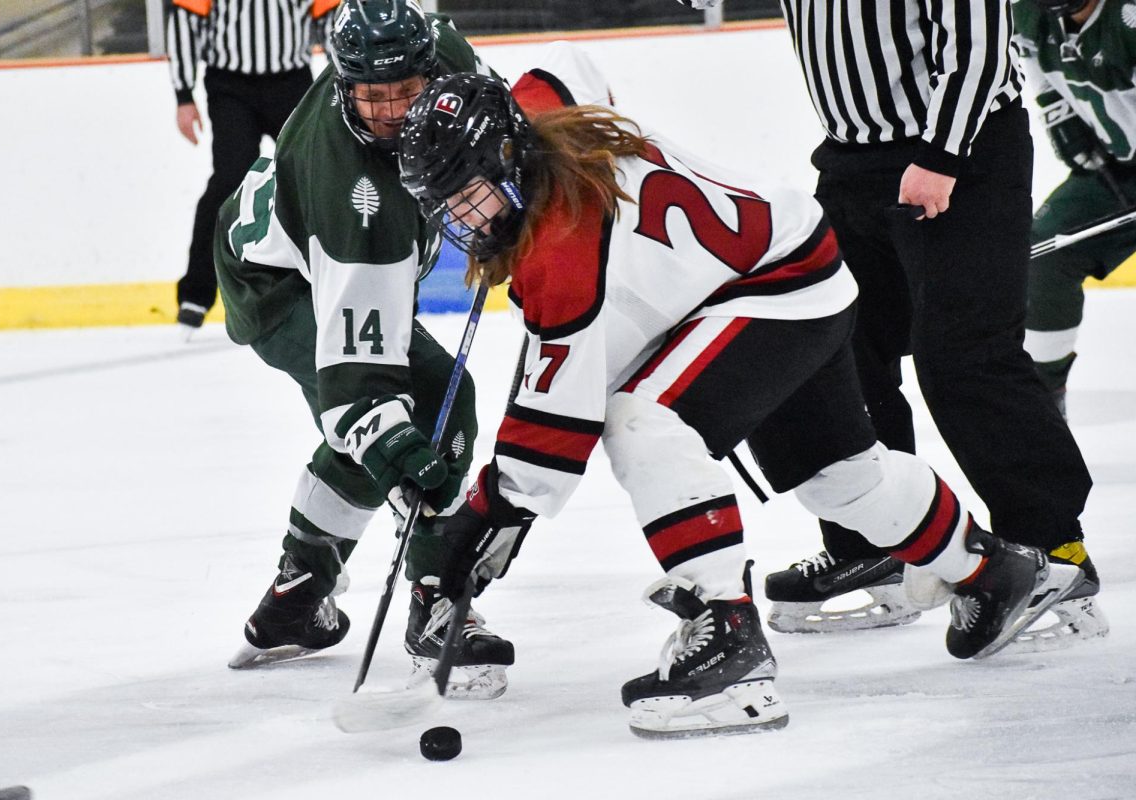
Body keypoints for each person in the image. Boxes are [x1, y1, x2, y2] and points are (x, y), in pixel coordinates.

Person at [396, 72, 1083, 739]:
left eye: (469, 195)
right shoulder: (543, 108)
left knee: (643, 420)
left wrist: (472, 530)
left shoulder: (562, 257)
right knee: (845, 480)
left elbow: (546, 447)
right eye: (445, 203)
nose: (460, 217)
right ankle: (992, 571)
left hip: (765, 289)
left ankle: (726, 636)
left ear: (508, 158)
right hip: (799, 260)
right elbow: (563, 66)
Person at [670, 0, 1105, 649]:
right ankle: (880, 544)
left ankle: (1050, 546)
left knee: (964, 356)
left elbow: (978, 44)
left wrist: (942, 155)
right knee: (835, 351)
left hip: (963, 150)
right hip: (852, 163)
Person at [214, 0, 513, 699]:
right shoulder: (360, 202)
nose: (389, 114)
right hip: (283, 288)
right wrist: (403, 458)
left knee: (420, 409)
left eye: (404, 93)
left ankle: (297, 591)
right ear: (343, 81)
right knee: (431, 404)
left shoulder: (441, 52)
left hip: (294, 254)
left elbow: (505, 118)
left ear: (428, 70)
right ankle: (436, 605)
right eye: (370, 96)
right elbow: (358, 390)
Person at [166, 0, 339, 337]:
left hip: (291, 82)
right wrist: (183, 95)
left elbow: (332, 22)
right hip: (230, 87)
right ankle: (196, 294)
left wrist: (348, 81)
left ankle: (336, 277)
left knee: (313, 177)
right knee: (228, 182)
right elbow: (186, 24)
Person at [1014, 0, 1136, 421]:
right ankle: (1045, 400)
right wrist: (1058, 115)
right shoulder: (1026, 16)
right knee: (1048, 251)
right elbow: (1036, 71)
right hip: (1116, 171)